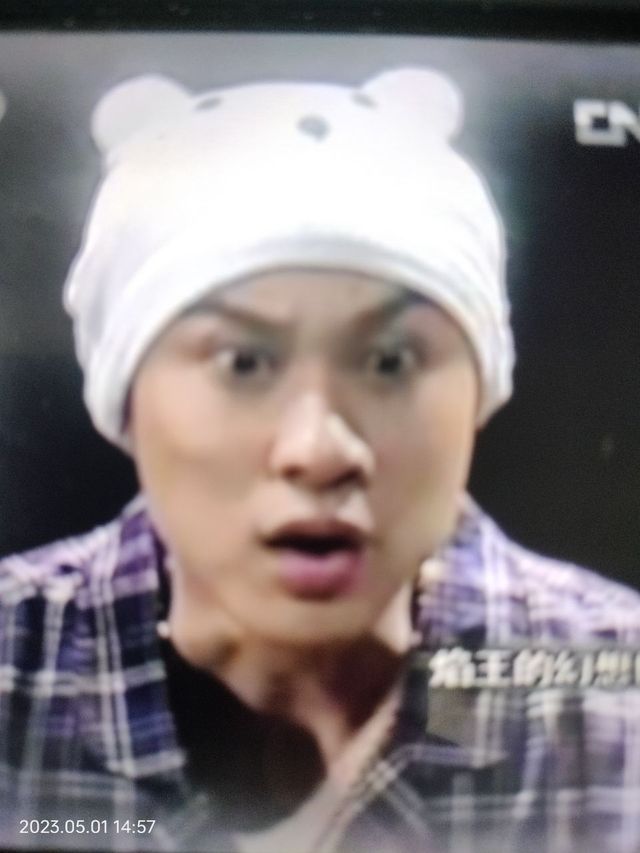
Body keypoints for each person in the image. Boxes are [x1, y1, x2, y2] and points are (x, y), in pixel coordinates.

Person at [1, 67, 640, 853]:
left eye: (390, 361)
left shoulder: (616, 688)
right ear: (121, 397)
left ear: (482, 391)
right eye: (243, 362)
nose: (319, 451)